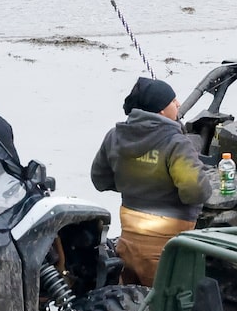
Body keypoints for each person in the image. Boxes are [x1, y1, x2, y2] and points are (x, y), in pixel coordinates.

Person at [92, 76, 214, 285]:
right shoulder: (176, 143)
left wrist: (134, 185)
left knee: (132, 301)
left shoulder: (114, 136)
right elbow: (195, 191)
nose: (178, 104)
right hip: (168, 245)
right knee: (168, 305)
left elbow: (100, 180)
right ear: (160, 111)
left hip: (128, 240)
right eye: (173, 101)